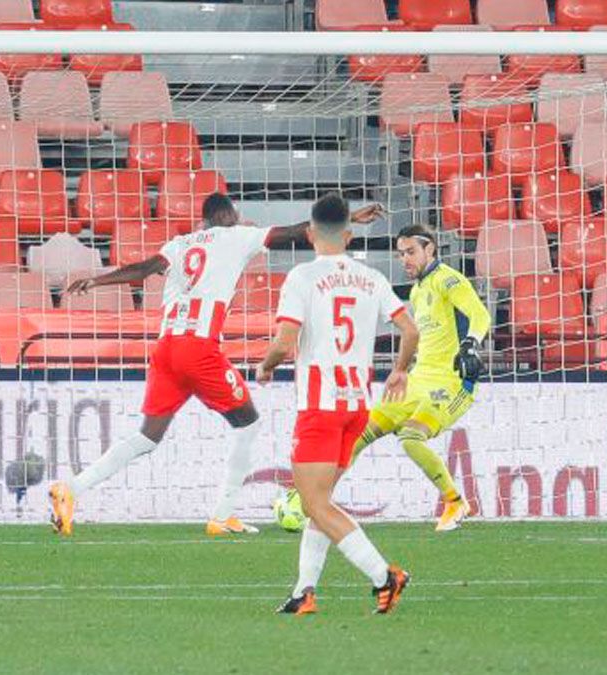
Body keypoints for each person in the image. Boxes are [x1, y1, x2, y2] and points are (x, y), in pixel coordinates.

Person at [48, 193, 385, 537]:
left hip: (166, 350)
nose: (239, 216)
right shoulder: (235, 235)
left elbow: (143, 270)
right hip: (199, 348)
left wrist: (95, 280)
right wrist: (347, 220)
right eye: (236, 212)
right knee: (248, 423)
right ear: (226, 214)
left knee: (147, 437)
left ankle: (70, 489)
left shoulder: (179, 243)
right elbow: (296, 231)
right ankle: (222, 515)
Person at [256, 194, 419, 615]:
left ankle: (385, 575)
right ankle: (303, 591)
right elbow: (410, 330)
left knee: (315, 503)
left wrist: (266, 365)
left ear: (310, 234)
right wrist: (399, 371)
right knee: (322, 501)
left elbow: (285, 341)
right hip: (356, 406)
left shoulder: (302, 277)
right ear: (348, 235)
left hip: (321, 405)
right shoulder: (372, 277)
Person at [348, 224, 491, 531]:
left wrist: (470, 345)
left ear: (431, 249)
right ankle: (313, 501)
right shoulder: (417, 290)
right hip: (417, 380)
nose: (405, 260)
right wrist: (402, 372)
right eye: (401, 254)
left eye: (411, 252)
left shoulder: (449, 280)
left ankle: (454, 501)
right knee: (357, 433)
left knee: (411, 438)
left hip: (451, 383)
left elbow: (481, 315)